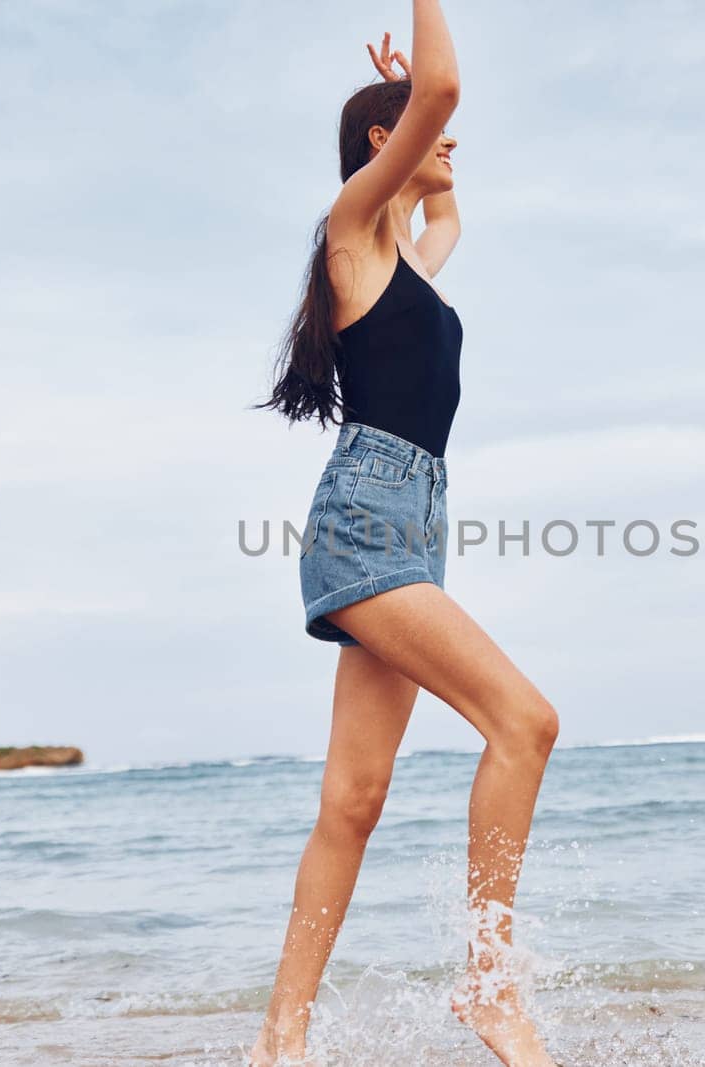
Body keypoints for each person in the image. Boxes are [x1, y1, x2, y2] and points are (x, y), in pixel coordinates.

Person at [250, 5, 561, 1066]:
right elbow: (442, 95)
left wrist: (420, 137)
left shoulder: (410, 266)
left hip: (415, 519)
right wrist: (416, 90)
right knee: (525, 721)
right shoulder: (347, 236)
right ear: (381, 148)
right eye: (431, 140)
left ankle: (278, 1044)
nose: (452, 149)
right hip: (366, 520)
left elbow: (449, 220)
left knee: (355, 798)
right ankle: (489, 986)